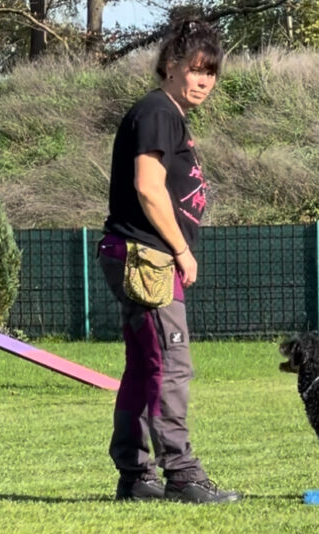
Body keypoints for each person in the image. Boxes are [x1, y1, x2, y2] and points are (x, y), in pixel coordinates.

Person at [97, 17, 239, 503]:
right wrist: (180, 249)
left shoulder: (163, 112)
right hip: (148, 257)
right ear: (170, 66)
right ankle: (182, 474)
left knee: (144, 366)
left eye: (211, 72)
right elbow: (148, 186)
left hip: (137, 253)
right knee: (170, 365)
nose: (204, 81)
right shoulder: (160, 112)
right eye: (196, 69)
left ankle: (136, 476)